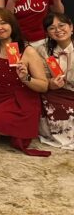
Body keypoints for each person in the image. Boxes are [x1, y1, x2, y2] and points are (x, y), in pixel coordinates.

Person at [0, 8, 49, 155]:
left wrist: (26, 78)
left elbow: (43, 86)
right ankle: (3, 130)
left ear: (12, 25)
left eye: (3, 23)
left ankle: (4, 129)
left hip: (20, 99)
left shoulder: (27, 51)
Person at [36, 13, 74, 149]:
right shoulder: (43, 50)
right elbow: (42, 77)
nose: (58, 30)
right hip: (56, 93)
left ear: (71, 27)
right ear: (47, 33)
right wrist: (51, 83)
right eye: (52, 28)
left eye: (62, 25)